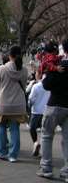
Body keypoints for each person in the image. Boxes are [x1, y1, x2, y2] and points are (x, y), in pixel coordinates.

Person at [37, 38, 68, 180]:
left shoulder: (58, 65)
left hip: (54, 104)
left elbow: (46, 85)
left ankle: (46, 168)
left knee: (47, 136)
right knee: (67, 139)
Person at [0, 45, 28, 163]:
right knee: (14, 128)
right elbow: (24, 86)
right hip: (18, 104)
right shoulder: (24, 70)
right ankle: (13, 155)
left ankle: (1, 152)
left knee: (1, 126)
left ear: (9, 55)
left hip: (3, 104)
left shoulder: (2, 69)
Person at [28, 73, 50, 157]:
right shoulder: (50, 86)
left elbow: (31, 99)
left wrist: (29, 105)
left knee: (32, 129)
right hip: (47, 111)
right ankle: (43, 150)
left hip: (36, 112)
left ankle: (36, 143)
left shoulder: (36, 86)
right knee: (45, 132)